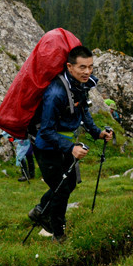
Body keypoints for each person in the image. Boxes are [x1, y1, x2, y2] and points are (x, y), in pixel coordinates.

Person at [27, 45, 113, 242]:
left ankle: (40, 211)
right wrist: (71, 148)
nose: (87, 72)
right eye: (82, 67)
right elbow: (46, 131)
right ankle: (58, 235)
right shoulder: (55, 93)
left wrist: (97, 133)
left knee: (70, 183)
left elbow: (84, 113)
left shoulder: (80, 86)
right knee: (62, 189)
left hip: (65, 144)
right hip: (47, 147)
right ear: (69, 67)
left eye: (90, 67)